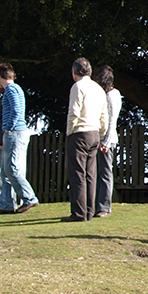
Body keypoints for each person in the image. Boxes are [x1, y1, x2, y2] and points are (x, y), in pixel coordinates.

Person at [63, 57, 109, 223]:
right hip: (94, 132)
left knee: (77, 174)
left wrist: (69, 132)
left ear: (75, 72)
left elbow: (73, 112)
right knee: (91, 174)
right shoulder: (99, 89)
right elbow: (104, 115)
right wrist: (102, 134)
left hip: (79, 132)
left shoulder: (77, 87)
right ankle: (89, 211)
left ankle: (79, 212)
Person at [0, 63, 39, 215]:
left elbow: (16, 111)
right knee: (6, 170)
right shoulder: (13, 89)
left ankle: (29, 198)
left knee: (11, 168)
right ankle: (6, 204)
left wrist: (8, 128)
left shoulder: (11, 89)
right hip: (14, 131)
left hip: (14, 132)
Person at [94, 65, 122, 218]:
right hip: (100, 140)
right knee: (97, 173)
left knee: (105, 173)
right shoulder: (105, 95)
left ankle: (104, 207)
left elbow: (112, 121)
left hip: (107, 141)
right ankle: (97, 205)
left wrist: (106, 141)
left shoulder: (112, 95)